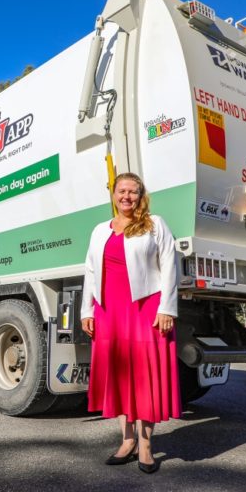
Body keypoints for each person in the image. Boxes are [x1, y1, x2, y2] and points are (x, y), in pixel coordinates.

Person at [80, 172, 180, 474]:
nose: (127, 196)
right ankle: (127, 440)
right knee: (118, 376)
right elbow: (90, 272)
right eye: (122, 191)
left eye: (133, 192)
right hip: (108, 311)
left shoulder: (155, 225)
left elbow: (169, 267)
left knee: (144, 376)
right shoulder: (100, 230)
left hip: (145, 308)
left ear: (141, 195)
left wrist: (167, 308)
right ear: (113, 194)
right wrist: (87, 310)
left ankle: (146, 444)